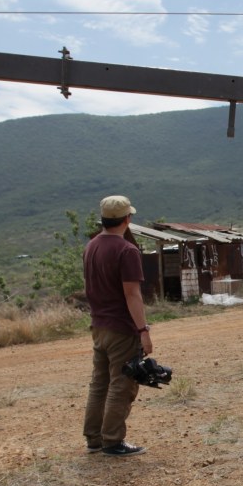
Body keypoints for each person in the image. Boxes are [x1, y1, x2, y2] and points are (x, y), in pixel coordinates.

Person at [82, 194, 155, 457]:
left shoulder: (91, 246)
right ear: (127, 219)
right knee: (121, 385)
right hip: (121, 328)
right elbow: (132, 295)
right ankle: (112, 440)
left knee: (99, 384)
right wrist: (143, 330)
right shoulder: (126, 250)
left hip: (98, 325)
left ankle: (94, 438)